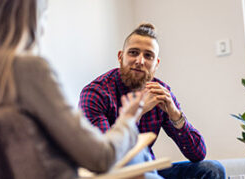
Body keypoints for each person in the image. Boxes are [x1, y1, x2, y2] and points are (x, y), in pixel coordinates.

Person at [0, 0, 149, 178]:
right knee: (143, 161)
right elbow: (100, 156)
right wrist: (128, 120)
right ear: (33, 19)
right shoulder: (28, 69)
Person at [79, 23, 226, 179]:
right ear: (120, 57)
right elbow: (106, 157)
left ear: (156, 64)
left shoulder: (161, 92)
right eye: (133, 53)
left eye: (148, 56)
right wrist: (137, 113)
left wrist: (175, 115)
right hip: (112, 174)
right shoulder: (96, 93)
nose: (140, 61)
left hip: (149, 171)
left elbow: (198, 154)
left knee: (212, 169)